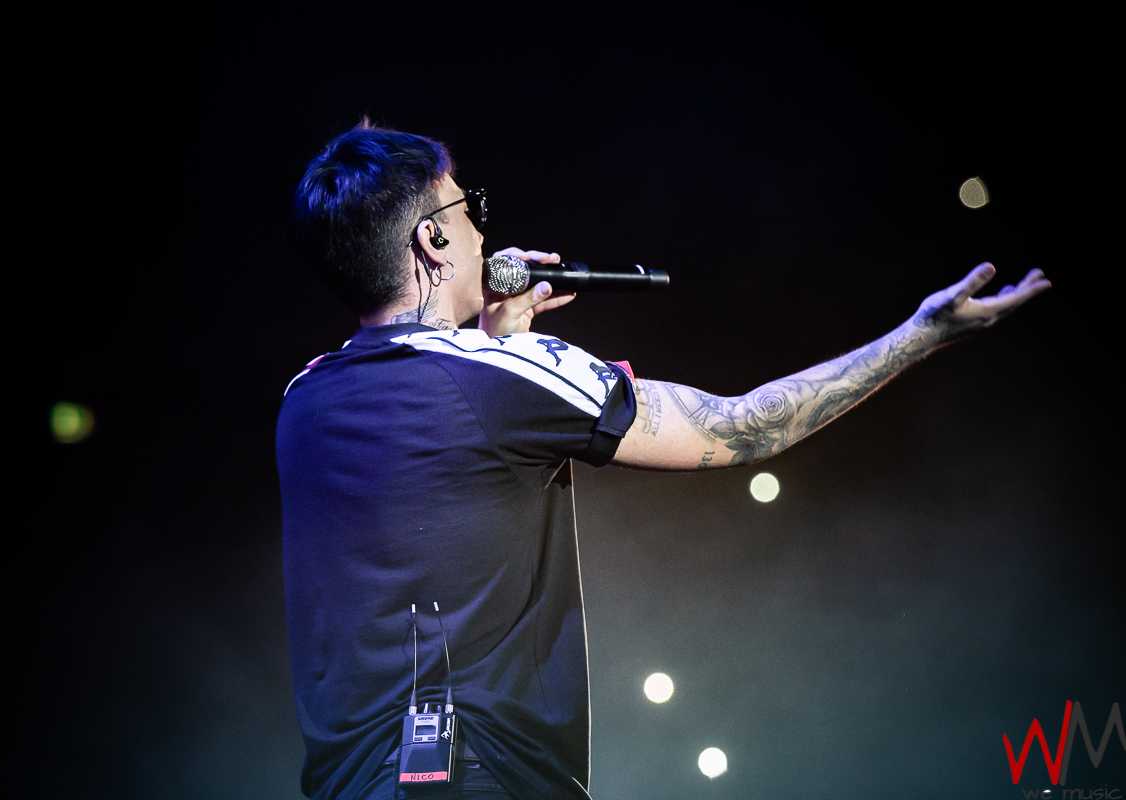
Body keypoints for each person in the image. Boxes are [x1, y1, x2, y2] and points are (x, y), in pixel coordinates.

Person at [276, 121, 1049, 800]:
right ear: (433, 240)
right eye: (467, 208)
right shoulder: (502, 377)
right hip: (482, 774)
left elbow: (444, 489)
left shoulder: (304, 399)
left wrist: (490, 341)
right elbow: (745, 428)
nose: (483, 229)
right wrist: (922, 333)